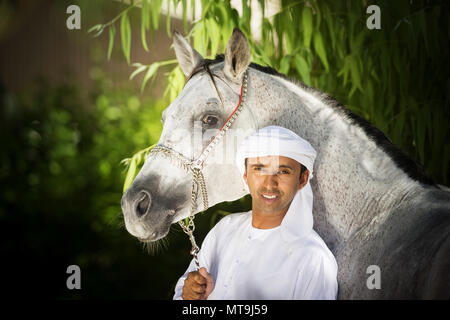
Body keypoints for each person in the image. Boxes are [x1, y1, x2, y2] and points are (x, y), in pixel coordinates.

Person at [173, 126, 338, 300]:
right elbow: (183, 294)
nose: (270, 183)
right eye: (259, 169)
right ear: (245, 175)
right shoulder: (225, 229)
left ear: (302, 179)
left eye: (283, 171)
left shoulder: (313, 258)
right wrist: (190, 295)